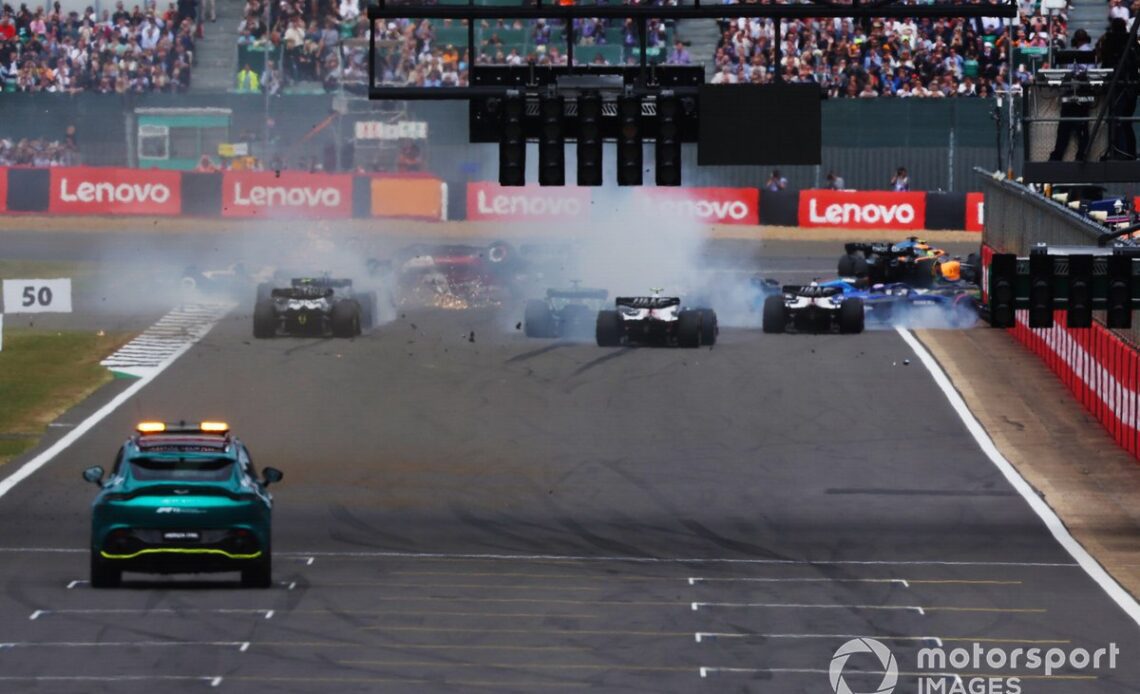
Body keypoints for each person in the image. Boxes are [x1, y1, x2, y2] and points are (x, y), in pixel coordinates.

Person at [1098, 18, 1138, 160]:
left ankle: (1122, 153)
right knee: (1124, 121)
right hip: (1129, 86)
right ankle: (1128, 153)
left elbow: (1103, 57)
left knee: (1119, 120)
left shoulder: (1122, 42)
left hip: (1123, 86)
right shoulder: (1131, 41)